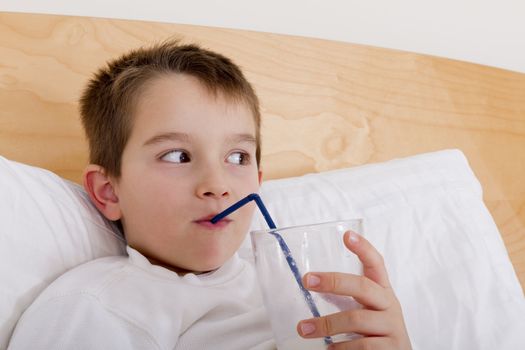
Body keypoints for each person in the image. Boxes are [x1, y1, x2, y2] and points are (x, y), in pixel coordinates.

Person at [8, 40, 412, 349]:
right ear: (109, 191)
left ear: (258, 179)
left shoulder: (299, 292)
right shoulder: (97, 306)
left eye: (237, 156)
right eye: (178, 155)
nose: (217, 184)